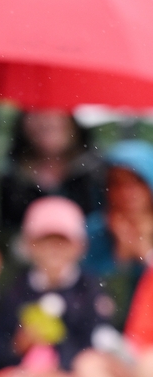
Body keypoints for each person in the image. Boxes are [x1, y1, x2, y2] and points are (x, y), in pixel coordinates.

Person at [0, 196, 117, 377]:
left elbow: (97, 342)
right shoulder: (15, 289)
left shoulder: (90, 290)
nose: (54, 249)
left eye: (62, 241)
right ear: (29, 245)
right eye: (46, 241)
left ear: (79, 246)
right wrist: (18, 345)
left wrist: (59, 358)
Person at [0, 110, 105, 252]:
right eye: (35, 111)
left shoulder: (98, 173)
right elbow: (2, 232)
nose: (47, 121)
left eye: (57, 111)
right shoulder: (10, 176)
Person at [82, 139, 153, 331]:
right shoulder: (92, 231)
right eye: (117, 184)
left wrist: (144, 253)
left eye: (136, 182)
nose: (126, 192)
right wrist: (120, 256)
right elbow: (88, 298)